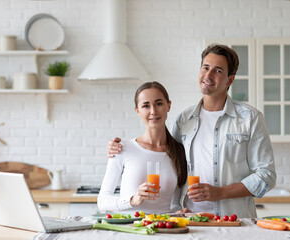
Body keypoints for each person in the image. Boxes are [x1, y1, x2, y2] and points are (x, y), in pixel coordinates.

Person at [106, 44, 276, 218]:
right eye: (205, 67)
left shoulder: (249, 118)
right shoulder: (184, 119)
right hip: (192, 221)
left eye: (217, 70)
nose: (208, 75)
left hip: (234, 220)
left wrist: (220, 193)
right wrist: (119, 147)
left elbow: (266, 176)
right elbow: (174, 164)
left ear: (230, 80)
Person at [98, 81, 187, 214]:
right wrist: (133, 200)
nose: (153, 111)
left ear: (168, 106)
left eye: (159, 104)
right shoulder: (122, 148)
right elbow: (102, 201)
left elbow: (174, 203)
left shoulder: (179, 151)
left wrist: (177, 213)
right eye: (146, 106)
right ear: (137, 111)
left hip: (163, 231)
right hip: (130, 230)